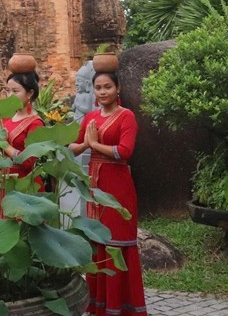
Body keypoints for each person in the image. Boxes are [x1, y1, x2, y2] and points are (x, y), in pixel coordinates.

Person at [68, 71, 146, 316]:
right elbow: (75, 145)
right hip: (94, 185)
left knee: (117, 243)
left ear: (118, 88)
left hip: (118, 187)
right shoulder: (91, 117)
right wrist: (81, 144)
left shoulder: (127, 117)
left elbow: (125, 151)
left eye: (108, 87)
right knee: (98, 242)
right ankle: (98, 306)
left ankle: (121, 307)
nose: (102, 92)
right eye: (98, 88)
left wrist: (94, 145)